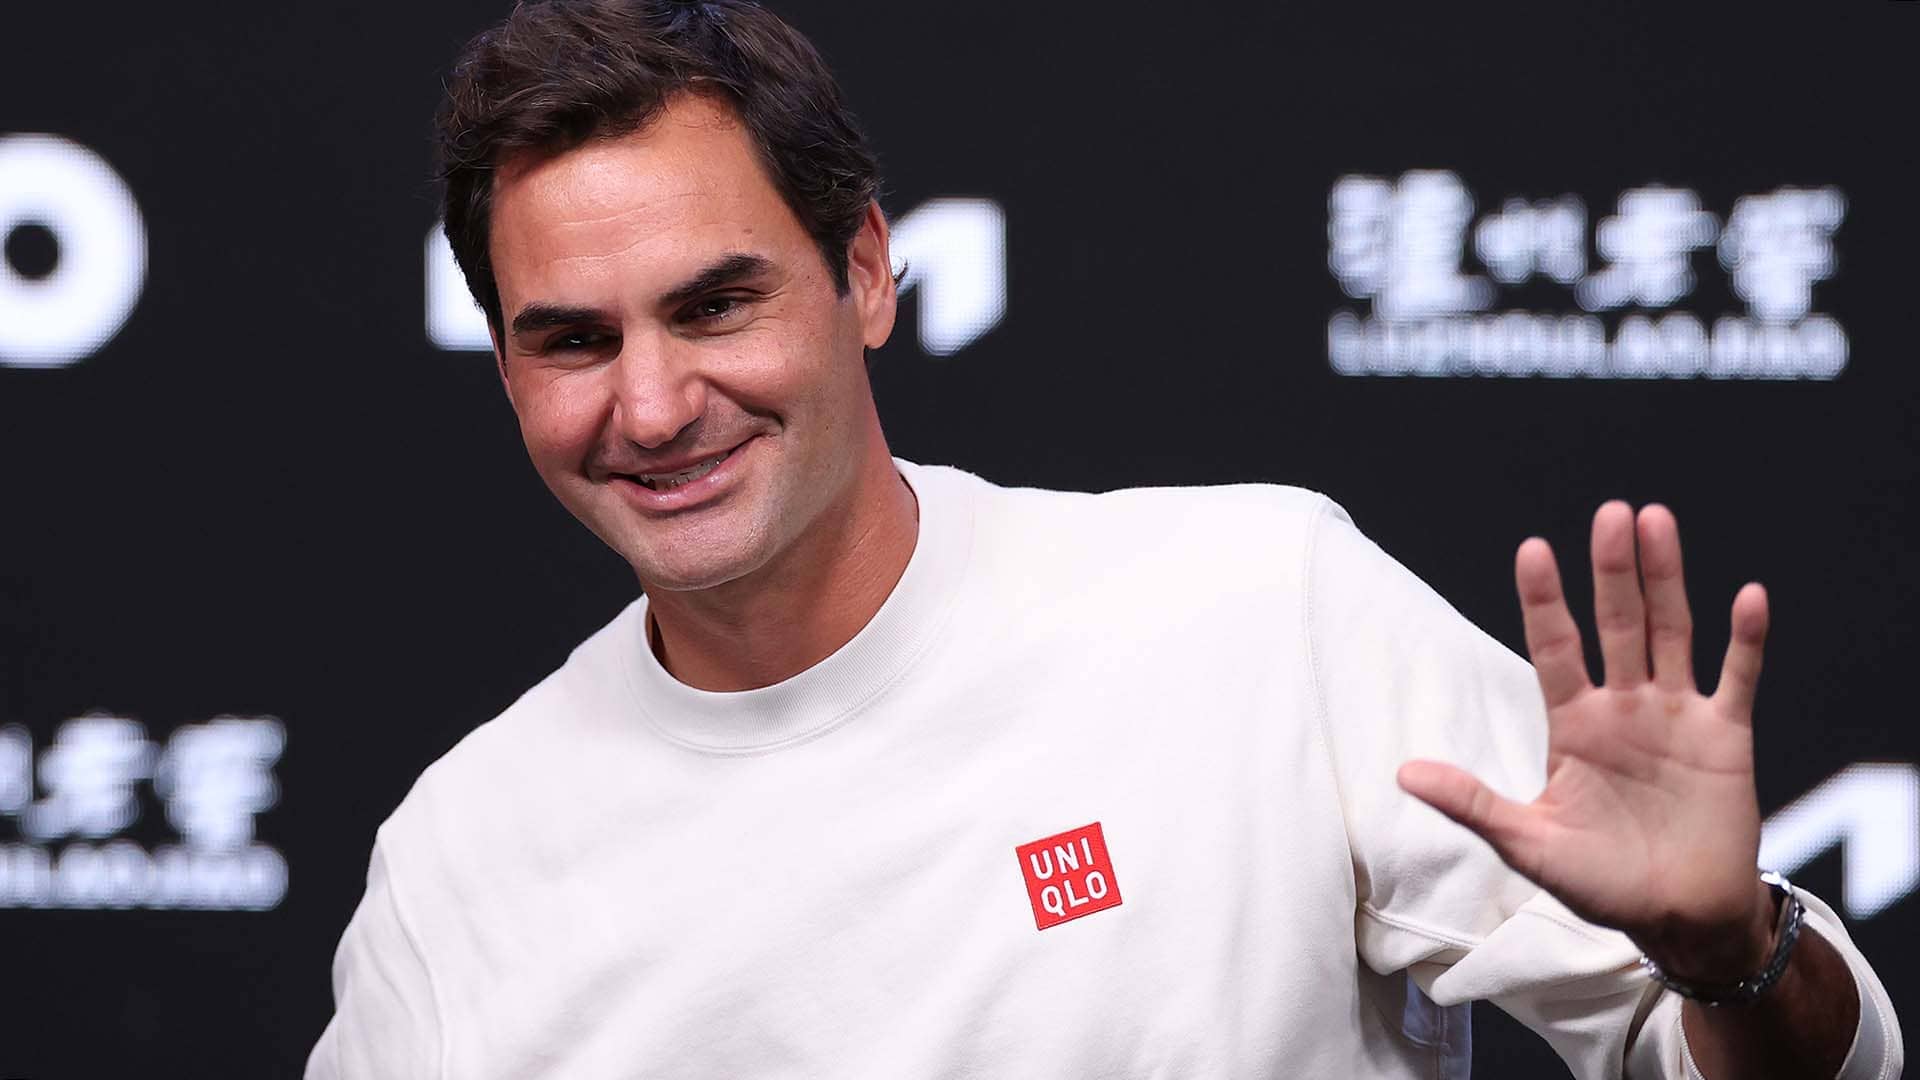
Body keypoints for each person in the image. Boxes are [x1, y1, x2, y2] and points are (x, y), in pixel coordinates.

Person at [308, 2, 1901, 1077]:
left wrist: (1730, 953)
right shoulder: (457, 872)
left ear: (863, 272)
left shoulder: (1254, 608)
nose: (652, 407)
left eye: (718, 304)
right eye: (573, 339)